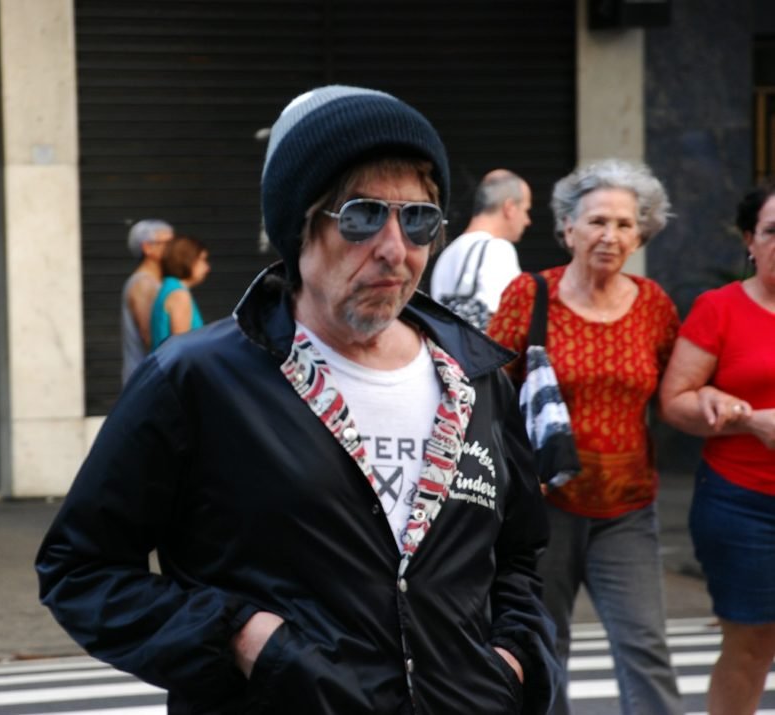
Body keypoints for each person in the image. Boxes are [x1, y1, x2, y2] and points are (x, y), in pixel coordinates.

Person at [37, 85, 559, 714]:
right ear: (298, 226)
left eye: (418, 219)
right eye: (364, 216)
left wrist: (513, 660)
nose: (395, 249)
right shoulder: (199, 379)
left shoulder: (476, 379)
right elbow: (81, 569)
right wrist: (243, 637)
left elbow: (518, 555)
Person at [488, 158, 683, 715]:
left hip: (628, 510)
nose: (610, 235)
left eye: (625, 224)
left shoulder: (653, 305)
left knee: (645, 646)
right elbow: (490, 395)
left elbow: (674, 391)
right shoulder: (530, 295)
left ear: (641, 233)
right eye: (597, 221)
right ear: (568, 228)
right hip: (544, 511)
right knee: (546, 648)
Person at [658, 182, 775, 715]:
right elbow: (675, 403)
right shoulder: (720, 307)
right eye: (773, 232)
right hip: (742, 506)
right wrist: (749, 421)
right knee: (751, 646)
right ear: (750, 240)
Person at [430, 169, 531, 328]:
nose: (527, 221)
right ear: (509, 207)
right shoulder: (498, 250)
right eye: (526, 210)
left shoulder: (448, 253)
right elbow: (506, 320)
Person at [121, 219, 173, 383]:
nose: (174, 250)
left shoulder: (155, 283)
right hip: (146, 380)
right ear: (147, 247)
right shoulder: (144, 284)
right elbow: (149, 335)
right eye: (168, 244)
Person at [149, 235, 210, 351]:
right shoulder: (179, 295)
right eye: (202, 260)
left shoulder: (168, 287)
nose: (207, 268)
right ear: (187, 259)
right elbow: (182, 350)